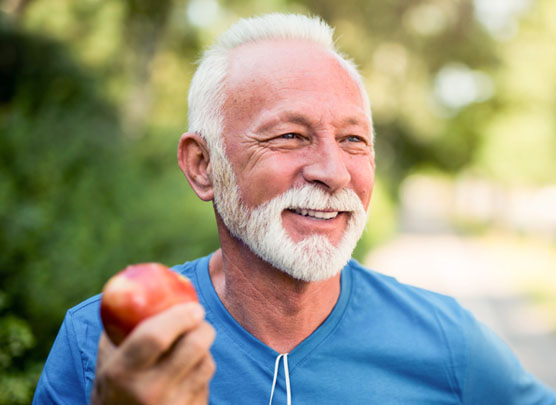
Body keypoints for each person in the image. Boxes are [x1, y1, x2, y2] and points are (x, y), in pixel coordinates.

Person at [33, 13, 556, 405]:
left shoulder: (449, 342)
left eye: (354, 140)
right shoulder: (103, 346)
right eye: (289, 136)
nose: (332, 171)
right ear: (202, 166)